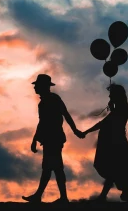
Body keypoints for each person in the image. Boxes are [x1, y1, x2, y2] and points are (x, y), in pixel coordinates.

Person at [78, 83, 128, 203]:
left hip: (117, 146)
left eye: (111, 95)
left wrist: (86, 132)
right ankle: (105, 196)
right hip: (117, 146)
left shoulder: (120, 110)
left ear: (116, 96)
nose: (109, 97)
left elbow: (105, 124)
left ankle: (103, 197)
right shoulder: (120, 110)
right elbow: (108, 123)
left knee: (113, 171)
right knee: (116, 171)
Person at [22, 74, 83, 203]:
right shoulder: (43, 102)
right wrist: (35, 139)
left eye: (37, 85)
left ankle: (59, 198)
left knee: (54, 168)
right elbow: (42, 122)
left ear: (43, 87)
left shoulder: (53, 99)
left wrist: (75, 130)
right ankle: (41, 196)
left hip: (53, 138)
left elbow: (65, 114)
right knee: (50, 168)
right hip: (50, 139)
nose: (35, 88)